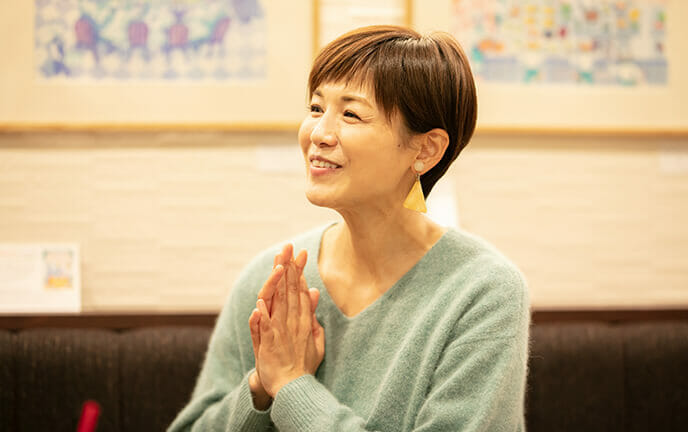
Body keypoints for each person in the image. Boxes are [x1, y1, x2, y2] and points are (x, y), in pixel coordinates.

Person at [168, 25, 530, 431]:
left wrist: (291, 385)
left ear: (425, 150)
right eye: (316, 108)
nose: (319, 134)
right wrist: (261, 386)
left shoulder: (483, 291)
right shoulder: (273, 279)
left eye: (351, 114)